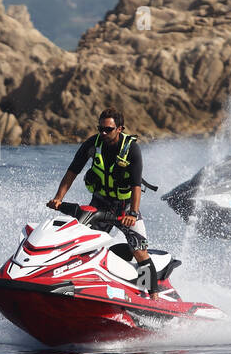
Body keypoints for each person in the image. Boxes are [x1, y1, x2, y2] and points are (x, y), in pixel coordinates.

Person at [47, 107, 158, 296]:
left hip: (126, 208)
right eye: (101, 129)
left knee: (139, 251)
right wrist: (58, 198)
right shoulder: (92, 144)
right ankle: (74, 284)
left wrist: (132, 213)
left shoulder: (131, 149)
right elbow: (72, 171)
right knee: (80, 245)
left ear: (120, 129)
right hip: (99, 204)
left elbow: (136, 184)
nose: (104, 133)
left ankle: (153, 296)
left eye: (108, 129)